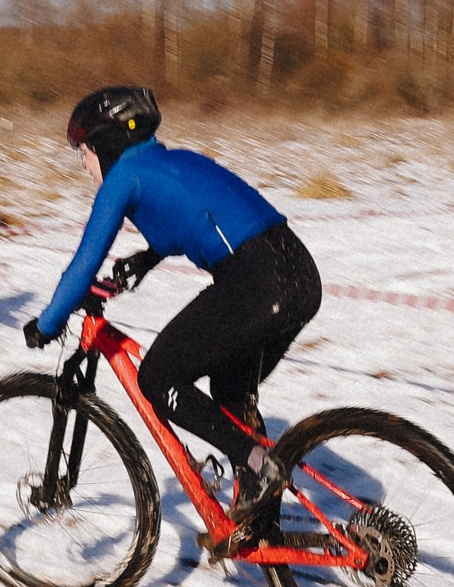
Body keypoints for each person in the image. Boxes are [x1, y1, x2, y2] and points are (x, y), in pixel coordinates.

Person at [25, 86, 321, 547]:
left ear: (105, 144)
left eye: (83, 152)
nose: (83, 165)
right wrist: (147, 258)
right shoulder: (176, 160)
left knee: (158, 378)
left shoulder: (123, 177)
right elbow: (193, 217)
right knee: (230, 390)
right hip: (299, 274)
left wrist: (46, 324)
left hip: (257, 281)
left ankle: (259, 467)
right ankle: (259, 523)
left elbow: (82, 265)